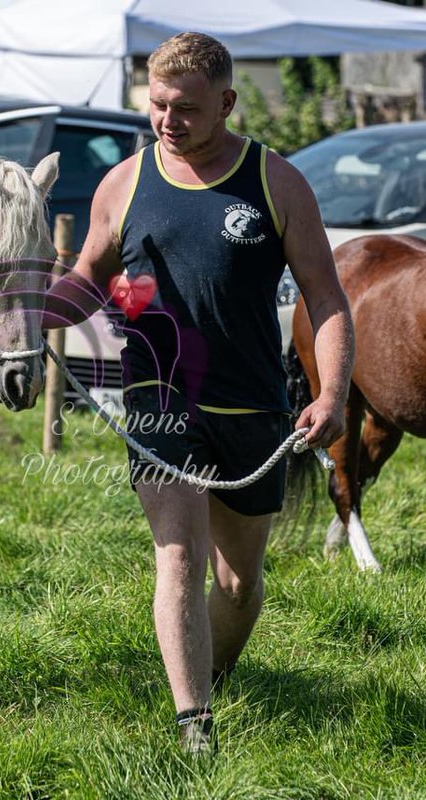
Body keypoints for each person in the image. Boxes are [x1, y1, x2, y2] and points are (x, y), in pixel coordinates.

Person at [44, 32, 354, 752]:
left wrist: (332, 394)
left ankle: (211, 674)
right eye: (157, 104)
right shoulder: (125, 183)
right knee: (178, 556)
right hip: (160, 403)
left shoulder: (276, 183)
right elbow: (88, 277)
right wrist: (28, 313)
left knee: (239, 584)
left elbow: (327, 299)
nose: (168, 120)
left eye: (185, 108)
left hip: (255, 407)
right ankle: (195, 725)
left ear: (227, 103)